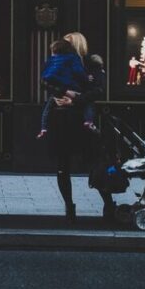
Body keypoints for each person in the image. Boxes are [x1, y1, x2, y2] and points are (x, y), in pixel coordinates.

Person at [42, 31, 114, 223]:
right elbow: (49, 83)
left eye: (68, 43)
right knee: (62, 166)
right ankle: (69, 206)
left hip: (82, 118)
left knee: (95, 163)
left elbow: (98, 91)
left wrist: (74, 100)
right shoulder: (59, 61)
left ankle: (108, 203)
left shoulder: (92, 64)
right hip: (62, 120)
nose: (64, 46)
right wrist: (64, 92)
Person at [38, 38, 97, 139]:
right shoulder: (73, 58)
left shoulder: (51, 60)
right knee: (89, 105)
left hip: (58, 93)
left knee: (47, 108)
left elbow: (44, 79)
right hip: (72, 90)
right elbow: (80, 74)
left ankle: (43, 128)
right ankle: (89, 121)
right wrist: (85, 79)